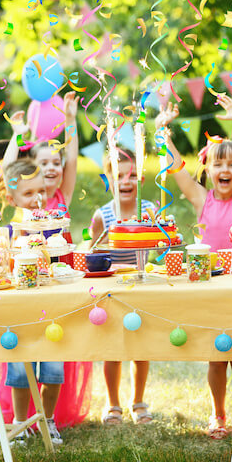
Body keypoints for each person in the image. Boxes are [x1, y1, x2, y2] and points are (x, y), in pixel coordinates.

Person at [156, 94, 232, 439]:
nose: (226, 170)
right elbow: (176, 167)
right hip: (211, 284)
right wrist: (164, 132)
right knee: (217, 357)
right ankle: (218, 414)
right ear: (208, 170)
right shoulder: (201, 200)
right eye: (219, 165)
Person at [0, 157, 91, 446]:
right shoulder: (7, 234)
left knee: (54, 370)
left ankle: (47, 420)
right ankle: (21, 422)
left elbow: (64, 266)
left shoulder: (54, 231)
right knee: (20, 370)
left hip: (52, 311)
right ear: (11, 198)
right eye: (28, 194)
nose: (37, 199)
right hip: (20, 313)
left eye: (41, 192)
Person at [88, 148, 155, 425]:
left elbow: (159, 246)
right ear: (108, 178)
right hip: (112, 290)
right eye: (119, 175)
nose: (126, 181)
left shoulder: (150, 210)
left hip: (141, 287)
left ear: (140, 179)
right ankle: (113, 402)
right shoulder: (102, 216)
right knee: (112, 349)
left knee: (141, 347)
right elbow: (93, 256)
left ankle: (138, 400)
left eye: (133, 175)